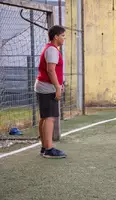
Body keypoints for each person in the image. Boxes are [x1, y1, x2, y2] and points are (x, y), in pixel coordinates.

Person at [34, 25, 66, 158]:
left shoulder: (50, 49)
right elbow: (50, 70)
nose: (64, 38)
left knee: (45, 117)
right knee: (50, 118)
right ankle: (48, 148)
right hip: (47, 88)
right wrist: (58, 87)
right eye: (63, 36)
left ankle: (44, 146)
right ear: (56, 37)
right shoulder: (52, 50)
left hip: (44, 86)